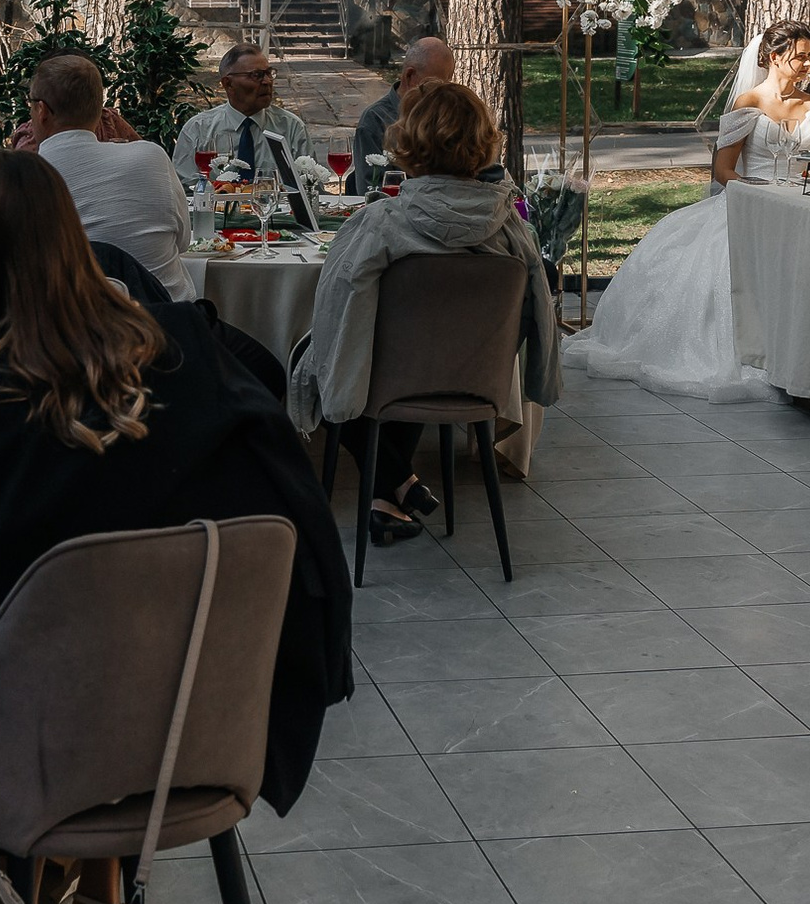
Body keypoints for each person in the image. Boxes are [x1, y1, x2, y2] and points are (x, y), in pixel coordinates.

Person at [0, 150, 352, 866]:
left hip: (23, 748)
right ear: (74, 240)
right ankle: (91, 885)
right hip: (193, 726)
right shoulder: (193, 361)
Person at [290, 83, 562, 543]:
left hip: (393, 379)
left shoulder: (377, 224)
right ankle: (391, 493)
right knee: (423, 349)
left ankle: (394, 483)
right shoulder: (515, 233)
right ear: (485, 145)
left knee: (331, 357)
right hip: (477, 380)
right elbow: (539, 318)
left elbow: (336, 325)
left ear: (408, 144)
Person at [564, 20, 810, 399]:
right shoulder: (749, 103)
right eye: (801, 57)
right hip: (748, 203)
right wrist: (758, 194)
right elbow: (722, 171)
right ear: (775, 57)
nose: (809, 65)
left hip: (797, 208)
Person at [19, 54, 194, 299]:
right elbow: (183, 242)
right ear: (99, 108)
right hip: (167, 324)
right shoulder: (152, 157)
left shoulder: (21, 179)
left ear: (41, 111)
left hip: (71, 328)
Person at [169, 43, 314, 184]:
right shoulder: (199, 130)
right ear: (228, 84)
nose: (267, 81)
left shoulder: (291, 129)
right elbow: (183, 191)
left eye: (269, 73)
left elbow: (311, 188)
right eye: (256, 75)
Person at [346, 35, 454, 192]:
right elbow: (371, 194)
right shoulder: (375, 121)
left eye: (447, 85)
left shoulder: (450, 117)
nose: (442, 94)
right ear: (410, 77)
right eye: (435, 86)